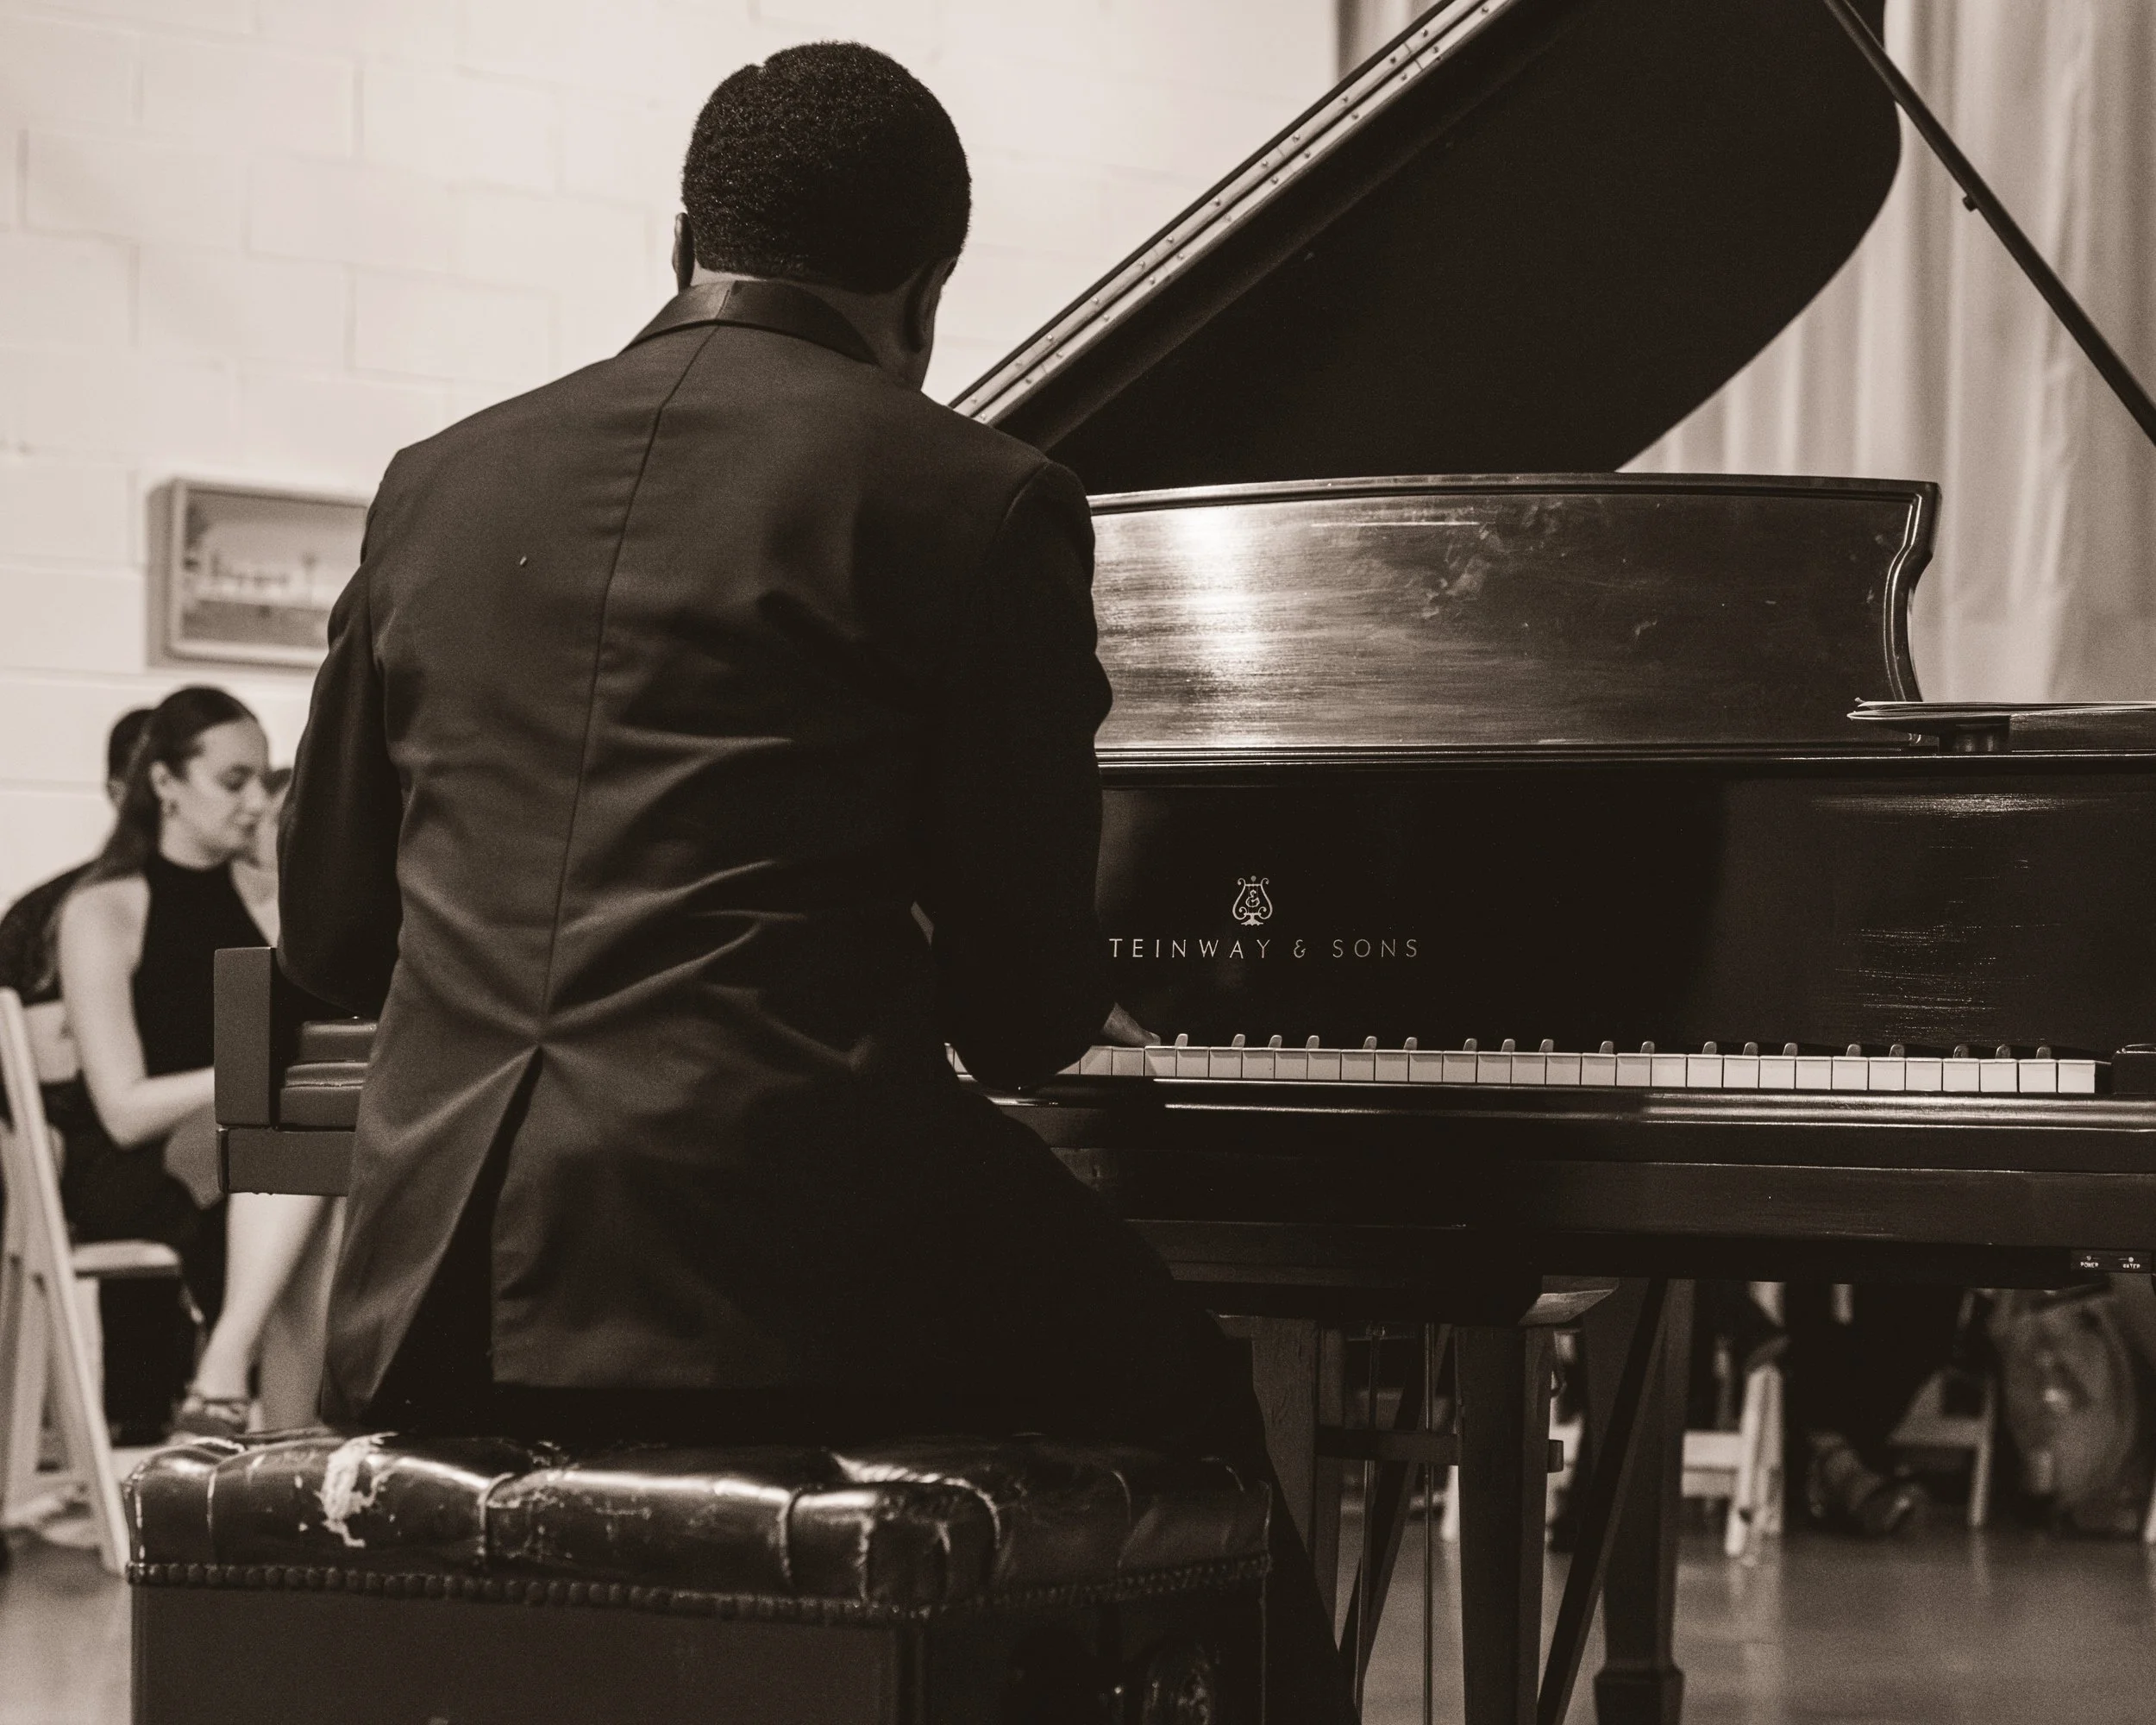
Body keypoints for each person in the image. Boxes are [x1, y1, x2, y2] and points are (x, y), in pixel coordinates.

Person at [279, 42, 1350, 1719]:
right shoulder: (972, 496)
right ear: (925, 289)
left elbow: (334, 931)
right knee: (1185, 1382)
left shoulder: (439, 480)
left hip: (432, 1283)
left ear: (678, 238)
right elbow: (1016, 1016)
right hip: (784, 1274)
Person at [53, 688, 273, 1441]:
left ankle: (265, 1402)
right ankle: (242, 1387)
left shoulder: (269, 900)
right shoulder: (105, 908)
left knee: (313, 1157)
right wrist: (254, 1076)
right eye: (233, 780)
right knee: (278, 1151)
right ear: (165, 784)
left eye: (263, 781)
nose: (254, 803)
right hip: (129, 1162)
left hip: (243, 1140)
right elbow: (123, 1108)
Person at [179, 764, 343, 1435]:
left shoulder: (321, 909)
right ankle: (241, 1380)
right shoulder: (229, 899)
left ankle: (274, 1435)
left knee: (325, 1176)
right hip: (214, 1118)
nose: (263, 825)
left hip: (281, 1111)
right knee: (299, 1143)